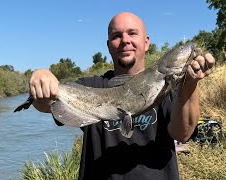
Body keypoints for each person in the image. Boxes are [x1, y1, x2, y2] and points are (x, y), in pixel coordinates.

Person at [29, 12, 215, 180]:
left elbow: (182, 133)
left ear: (146, 42)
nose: (125, 40)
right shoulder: (92, 86)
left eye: (132, 33)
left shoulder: (175, 87)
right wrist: (41, 79)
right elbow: (46, 105)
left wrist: (190, 84)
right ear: (109, 45)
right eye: (117, 36)